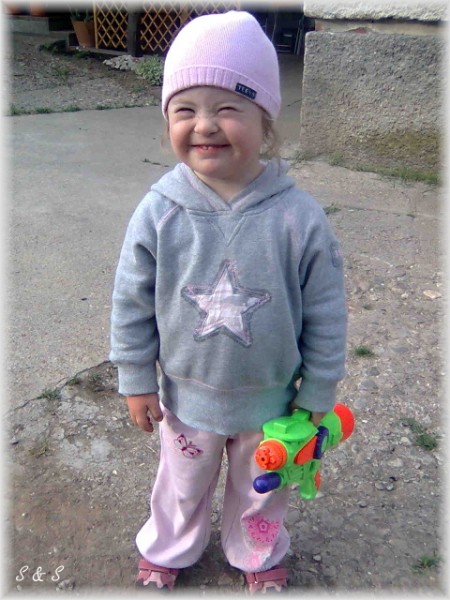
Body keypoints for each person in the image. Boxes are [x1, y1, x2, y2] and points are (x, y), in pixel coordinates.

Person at [110, 10, 347, 593]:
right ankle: (169, 546)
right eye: (185, 109)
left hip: (272, 402)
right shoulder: (159, 211)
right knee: (181, 484)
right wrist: (135, 377)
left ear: (264, 119)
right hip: (186, 397)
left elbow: (326, 310)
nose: (205, 125)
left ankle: (257, 553)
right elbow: (131, 301)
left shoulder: (298, 217)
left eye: (227, 108)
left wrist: (319, 389)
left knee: (262, 491)